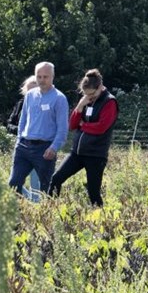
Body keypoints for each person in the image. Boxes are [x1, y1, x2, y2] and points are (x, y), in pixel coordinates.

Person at [47, 69, 118, 206]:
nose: (89, 97)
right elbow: (72, 125)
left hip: (96, 155)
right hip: (77, 153)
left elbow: (101, 127)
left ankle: (100, 219)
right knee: (56, 179)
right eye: (85, 94)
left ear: (100, 87)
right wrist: (80, 106)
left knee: (93, 192)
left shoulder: (110, 102)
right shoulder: (85, 101)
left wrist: (83, 125)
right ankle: (50, 210)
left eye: (92, 94)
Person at [9, 62, 69, 197]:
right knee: (13, 184)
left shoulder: (59, 99)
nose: (42, 80)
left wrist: (54, 147)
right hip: (24, 146)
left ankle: (47, 215)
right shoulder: (30, 95)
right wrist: (19, 140)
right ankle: (24, 212)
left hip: (44, 149)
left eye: (45, 77)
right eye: (39, 76)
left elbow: (63, 128)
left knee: (44, 189)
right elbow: (23, 120)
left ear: (53, 77)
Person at [7, 75, 42, 201]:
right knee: (13, 183)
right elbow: (10, 123)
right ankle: (32, 200)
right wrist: (21, 131)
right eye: (29, 91)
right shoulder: (20, 104)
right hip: (22, 148)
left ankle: (39, 211)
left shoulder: (46, 104)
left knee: (36, 185)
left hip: (40, 149)